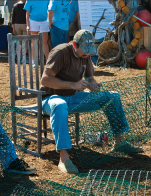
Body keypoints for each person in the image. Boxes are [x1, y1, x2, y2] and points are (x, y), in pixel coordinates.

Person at [40, 29, 143, 174]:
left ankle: (120, 142)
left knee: (112, 96)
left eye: (89, 51)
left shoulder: (85, 55)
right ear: (74, 44)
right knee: (60, 105)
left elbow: (90, 78)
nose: (87, 54)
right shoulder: (60, 52)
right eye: (85, 50)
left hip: (74, 97)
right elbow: (45, 80)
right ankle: (64, 158)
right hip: (51, 99)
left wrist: (92, 84)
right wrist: (73, 85)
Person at [24, 0, 50, 67]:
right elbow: (27, 13)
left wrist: (50, 21)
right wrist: (27, 25)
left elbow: (49, 9)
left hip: (44, 21)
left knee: (45, 42)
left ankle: (48, 60)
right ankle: (33, 60)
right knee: (34, 41)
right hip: (33, 21)